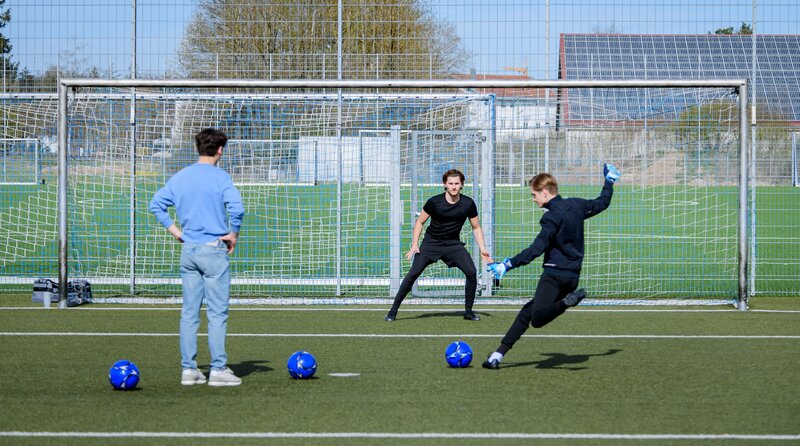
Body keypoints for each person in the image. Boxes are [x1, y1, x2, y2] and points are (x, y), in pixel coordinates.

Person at [482, 163, 620, 369]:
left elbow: (536, 249)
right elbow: (602, 203)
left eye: (534, 194)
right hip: (573, 277)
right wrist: (609, 181)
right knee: (527, 312)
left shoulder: (551, 217)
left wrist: (508, 264)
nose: (533, 199)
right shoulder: (577, 205)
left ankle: (567, 303)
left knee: (537, 319)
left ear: (545, 192)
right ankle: (497, 356)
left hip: (554, 275)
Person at [149, 128, 245, 386]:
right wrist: (233, 234)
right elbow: (237, 208)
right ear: (220, 150)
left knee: (189, 312)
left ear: (197, 148)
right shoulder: (221, 177)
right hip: (213, 250)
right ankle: (218, 370)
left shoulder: (181, 177)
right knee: (217, 313)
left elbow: (156, 204)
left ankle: (189, 369)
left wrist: (175, 231)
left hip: (189, 250)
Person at [384, 168, 492, 322]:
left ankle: (468, 311)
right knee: (413, 274)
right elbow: (420, 222)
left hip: (453, 244)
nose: (454, 186)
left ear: (462, 185)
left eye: (457, 183)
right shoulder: (434, 202)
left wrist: (483, 249)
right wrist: (415, 244)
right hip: (431, 243)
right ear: (445, 184)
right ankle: (393, 311)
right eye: (450, 183)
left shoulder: (468, 203)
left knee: (471, 272)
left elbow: (476, 227)